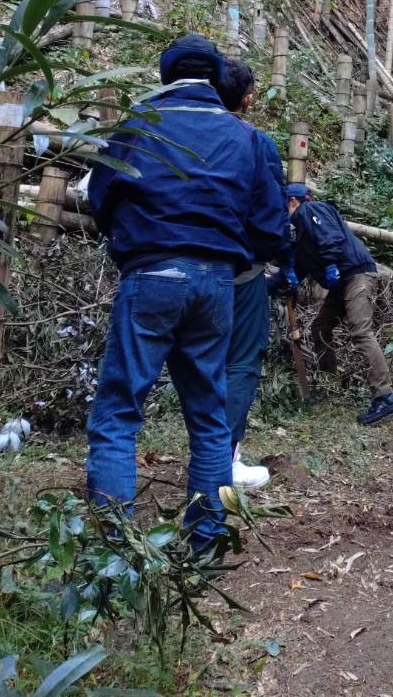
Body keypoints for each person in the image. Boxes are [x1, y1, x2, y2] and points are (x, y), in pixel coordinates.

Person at [86, 34, 289, 553]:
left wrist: (132, 240)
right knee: (209, 418)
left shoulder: (138, 124)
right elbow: (271, 227)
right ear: (216, 79)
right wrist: (229, 252)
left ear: (165, 74)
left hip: (151, 274)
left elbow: (100, 196)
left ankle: (114, 553)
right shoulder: (245, 137)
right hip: (216, 282)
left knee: (118, 414)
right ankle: (205, 540)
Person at [213, 59, 297, 492]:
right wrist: (275, 258)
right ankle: (221, 461)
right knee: (241, 361)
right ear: (247, 100)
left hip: (163, 266)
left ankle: (113, 472)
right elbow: (271, 213)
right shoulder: (254, 141)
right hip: (238, 272)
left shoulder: (166, 130)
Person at [285, 184, 393, 426]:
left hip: (356, 274)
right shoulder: (302, 232)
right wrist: (285, 280)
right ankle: (329, 383)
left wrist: (330, 264)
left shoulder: (311, 210)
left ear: (292, 201)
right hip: (342, 281)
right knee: (320, 327)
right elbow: (302, 264)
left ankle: (385, 394)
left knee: (361, 332)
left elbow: (330, 237)